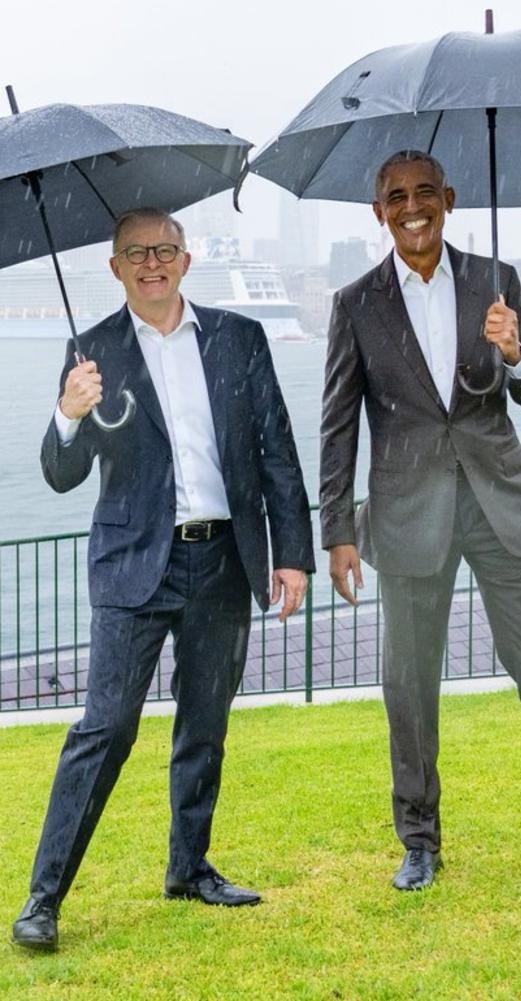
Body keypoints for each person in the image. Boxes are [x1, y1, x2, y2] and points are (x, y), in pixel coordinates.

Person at [319, 150, 521, 892]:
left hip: (500, 507)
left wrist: (515, 351)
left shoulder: (499, 282)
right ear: (379, 212)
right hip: (406, 515)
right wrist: (336, 531)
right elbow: (338, 427)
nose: (413, 205)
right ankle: (419, 839)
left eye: (426, 191)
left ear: (449, 199)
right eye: (396, 195)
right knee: (409, 684)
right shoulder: (355, 304)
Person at [12, 207, 315, 952]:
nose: (152, 263)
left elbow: (277, 449)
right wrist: (67, 413)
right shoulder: (92, 353)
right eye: (136, 253)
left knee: (204, 723)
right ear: (115, 267)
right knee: (105, 728)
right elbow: (61, 474)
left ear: (187, 258)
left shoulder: (240, 339)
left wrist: (293, 552)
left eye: (165, 250)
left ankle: (189, 867)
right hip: (133, 565)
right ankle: (43, 899)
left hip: (222, 559)